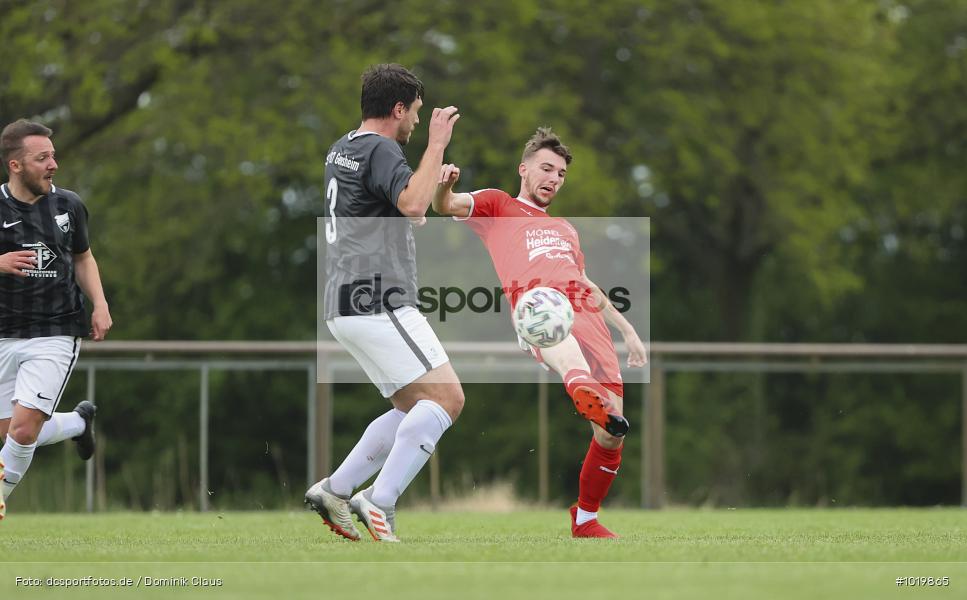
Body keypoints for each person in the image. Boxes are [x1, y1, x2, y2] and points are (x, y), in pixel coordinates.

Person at [431, 127, 647, 538]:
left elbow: (586, 282)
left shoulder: (566, 228)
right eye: (547, 168)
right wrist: (444, 188)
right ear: (524, 169)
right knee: (554, 329)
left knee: (611, 432)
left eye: (561, 174)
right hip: (538, 307)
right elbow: (446, 206)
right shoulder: (498, 205)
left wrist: (628, 329)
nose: (554, 178)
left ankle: (585, 520)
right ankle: (578, 383)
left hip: (589, 317)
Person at [305, 64, 464, 542]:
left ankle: (335, 490)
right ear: (398, 109)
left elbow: (393, 208)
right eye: (415, 112)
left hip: (344, 302)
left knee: (410, 406)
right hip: (377, 298)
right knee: (449, 399)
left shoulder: (344, 147)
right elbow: (413, 205)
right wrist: (437, 146)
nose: (417, 121)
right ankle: (379, 500)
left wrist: (423, 192)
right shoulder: (382, 147)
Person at [0, 119, 109, 520]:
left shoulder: (69, 206)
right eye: (42, 157)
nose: (53, 164)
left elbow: (83, 256)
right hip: (3, 333)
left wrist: (99, 303)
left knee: (24, 431)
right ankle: (78, 425)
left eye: (54, 155)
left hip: (56, 330)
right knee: (10, 430)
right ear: (15, 165)